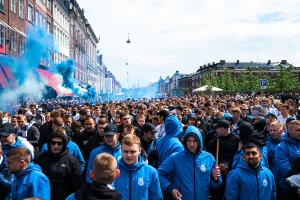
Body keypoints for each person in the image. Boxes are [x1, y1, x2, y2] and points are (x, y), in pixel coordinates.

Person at [158, 125, 222, 200]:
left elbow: (216, 184)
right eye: (189, 140)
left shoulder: (209, 158)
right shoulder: (175, 158)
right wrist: (171, 189)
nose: (191, 144)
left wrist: (215, 178)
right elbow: (159, 174)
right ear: (185, 141)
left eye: (194, 141)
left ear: (199, 141)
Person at [34, 131, 81, 200]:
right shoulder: (41, 158)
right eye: (53, 143)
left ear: (63, 145)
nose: (56, 146)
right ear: (49, 144)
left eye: (59, 143)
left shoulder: (72, 161)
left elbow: (77, 185)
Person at [114, 134, 163, 200]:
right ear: (121, 151)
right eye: (125, 151)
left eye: (132, 152)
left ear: (139, 151)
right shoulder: (113, 170)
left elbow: (157, 198)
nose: (129, 155)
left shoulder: (151, 172)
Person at [275, 120, 300, 199]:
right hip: (288, 187)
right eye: (298, 130)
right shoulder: (281, 147)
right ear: (290, 131)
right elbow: (285, 169)